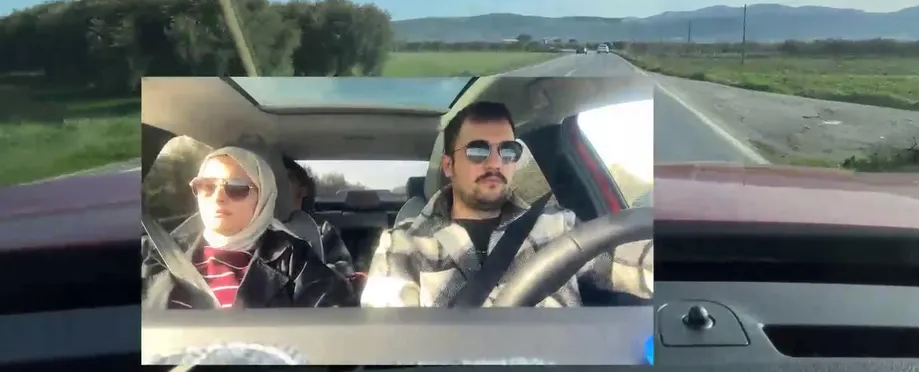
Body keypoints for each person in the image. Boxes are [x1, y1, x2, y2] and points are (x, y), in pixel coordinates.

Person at [361, 101, 653, 308]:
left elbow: (633, 264)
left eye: (508, 151)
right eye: (478, 151)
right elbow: (390, 342)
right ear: (448, 166)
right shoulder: (404, 244)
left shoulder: (558, 225)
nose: (495, 163)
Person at [141, 146, 357, 309]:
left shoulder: (295, 259)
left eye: (237, 188)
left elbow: (333, 325)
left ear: (263, 198)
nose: (218, 198)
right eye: (206, 186)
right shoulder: (158, 252)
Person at [280, 155, 358, 280]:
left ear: (303, 191)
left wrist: (325, 272)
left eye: (285, 179)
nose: (276, 186)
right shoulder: (251, 233)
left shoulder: (324, 232)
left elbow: (344, 271)